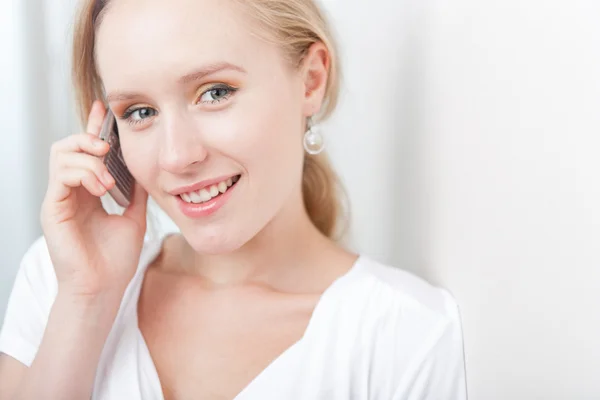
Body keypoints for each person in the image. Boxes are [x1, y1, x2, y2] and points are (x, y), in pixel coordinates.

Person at [0, 0, 467, 398]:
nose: (177, 156)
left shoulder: (407, 333)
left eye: (215, 92)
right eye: (139, 111)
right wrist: (86, 301)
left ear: (310, 80)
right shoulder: (61, 282)